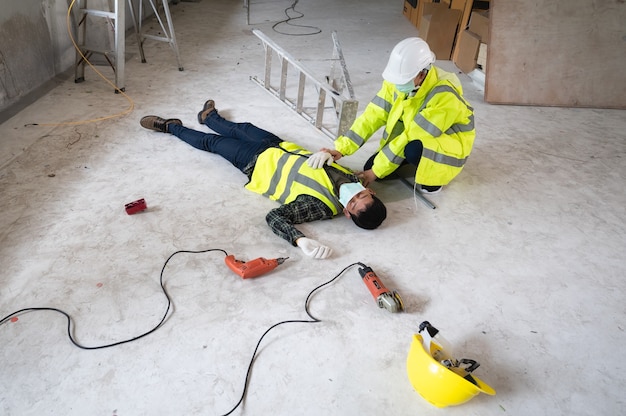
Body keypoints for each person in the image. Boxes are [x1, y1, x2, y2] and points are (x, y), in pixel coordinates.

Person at [139, 99, 387, 259]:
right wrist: (327, 153)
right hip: (278, 145)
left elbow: (274, 217)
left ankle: (170, 127)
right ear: (370, 191)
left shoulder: (320, 206)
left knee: (212, 143)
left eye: (352, 205)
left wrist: (299, 240)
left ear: (346, 214)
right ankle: (209, 118)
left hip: (255, 163)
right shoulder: (356, 179)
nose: (352, 197)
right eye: (361, 196)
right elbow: (355, 168)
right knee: (239, 127)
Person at [307, 37, 475, 194]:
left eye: (403, 81)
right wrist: (340, 149)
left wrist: (375, 172)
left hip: (447, 145)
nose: (397, 86)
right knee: (373, 167)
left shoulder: (444, 95)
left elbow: (412, 136)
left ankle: (435, 180)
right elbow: (372, 115)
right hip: (412, 136)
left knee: (412, 150)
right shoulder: (397, 82)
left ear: (422, 73)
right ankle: (407, 161)